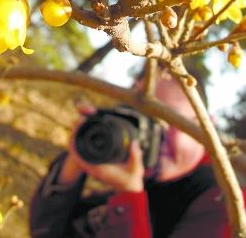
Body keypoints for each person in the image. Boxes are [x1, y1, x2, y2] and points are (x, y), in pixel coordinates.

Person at [29, 70, 246, 238]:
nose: (153, 134)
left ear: (207, 126)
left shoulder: (228, 202)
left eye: (169, 119)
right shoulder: (144, 174)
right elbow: (45, 232)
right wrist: (76, 162)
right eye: (142, 117)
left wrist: (129, 197)